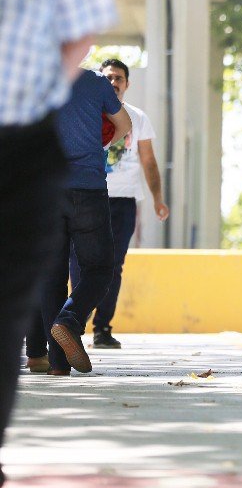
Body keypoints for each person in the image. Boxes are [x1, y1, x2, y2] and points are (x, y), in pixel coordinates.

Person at [0, 0, 118, 488]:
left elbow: (84, 23)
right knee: (68, 272)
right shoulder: (101, 93)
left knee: (23, 290)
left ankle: (50, 338)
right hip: (76, 178)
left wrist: (39, 87)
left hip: (24, 148)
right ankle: (57, 332)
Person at [68, 59, 169, 349]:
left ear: (127, 84)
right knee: (78, 260)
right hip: (88, 194)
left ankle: (102, 328)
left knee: (114, 265)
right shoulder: (88, 109)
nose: (114, 82)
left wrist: (158, 200)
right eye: (109, 77)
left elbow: (148, 161)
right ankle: (74, 320)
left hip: (123, 200)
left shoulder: (138, 118)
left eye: (119, 78)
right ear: (101, 79)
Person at [36, 69, 131, 376]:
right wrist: (101, 144)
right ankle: (69, 320)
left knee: (51, 278)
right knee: (100, 269)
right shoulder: (95, 82)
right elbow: (124, 125)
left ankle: (58, 364)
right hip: (87, 189)